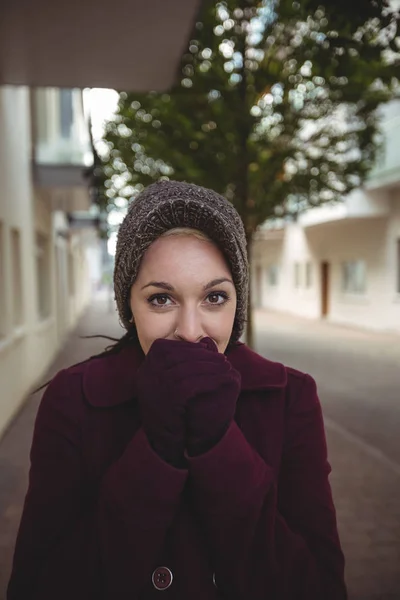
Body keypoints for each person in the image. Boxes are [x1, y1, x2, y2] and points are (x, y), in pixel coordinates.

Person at [7, 180, 347, 600]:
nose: (189, 332)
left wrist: (219, 444)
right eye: (161, 300)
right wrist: (156, 449)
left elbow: (319, 586)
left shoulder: (288, 396)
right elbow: (38, 585)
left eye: (214, 297)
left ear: (237, 303)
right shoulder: (74, 399)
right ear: (128, 305)